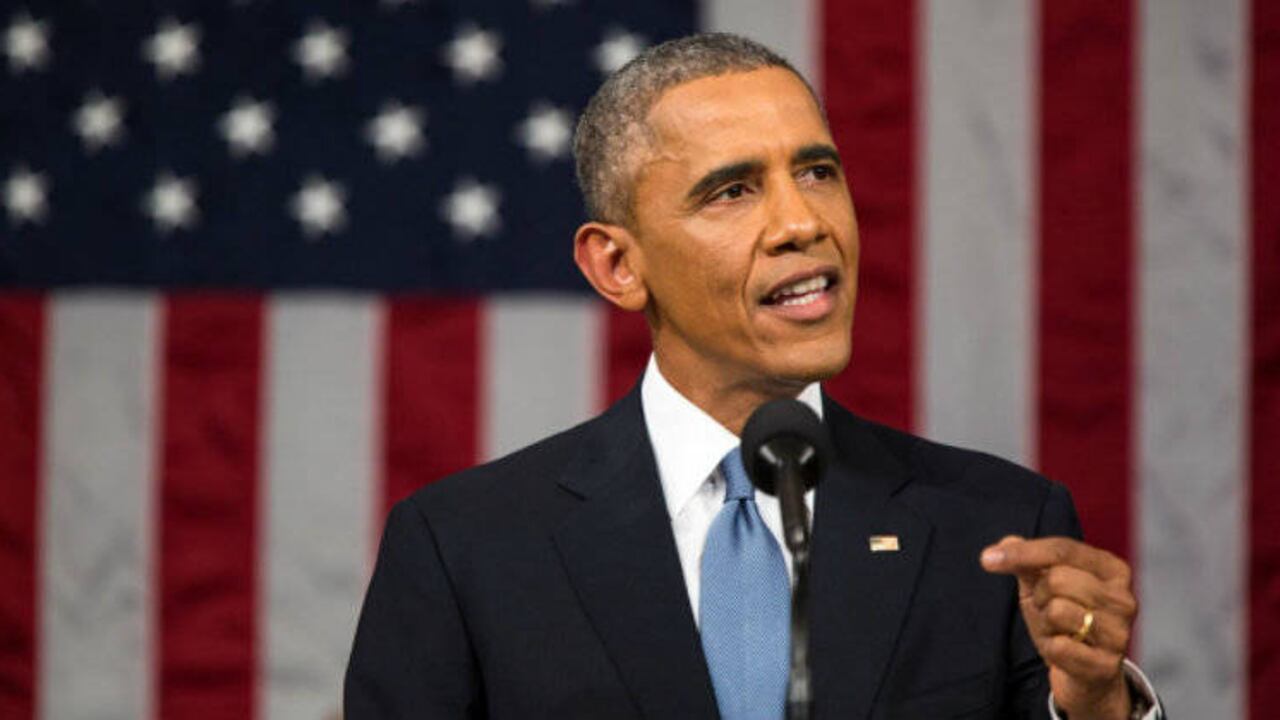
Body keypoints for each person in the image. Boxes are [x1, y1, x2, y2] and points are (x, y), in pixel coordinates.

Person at [345, 33, 1164, 719]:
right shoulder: (465, 550)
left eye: (817, 172)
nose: (803, 221)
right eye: (733, 191)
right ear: (618, 265)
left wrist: (1097, 707)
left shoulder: (996, 528)